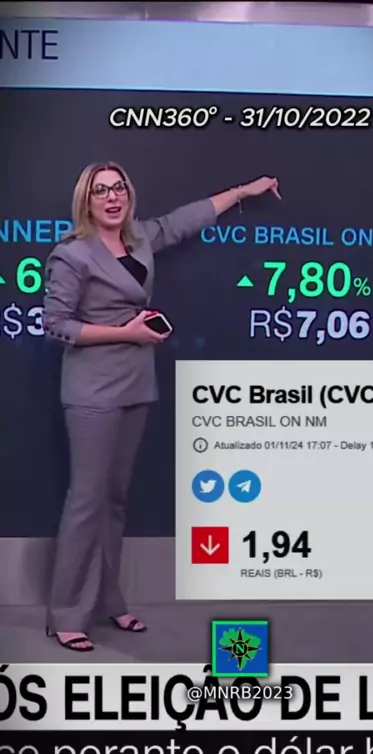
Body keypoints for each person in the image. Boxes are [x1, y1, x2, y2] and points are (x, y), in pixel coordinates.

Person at [43, 161, 281, 651]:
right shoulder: (72, 254)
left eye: (119, 188)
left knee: (114, 499)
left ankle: (107, 601)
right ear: (86, 201)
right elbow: (56, 325)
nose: (112, 197)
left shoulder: (140, 240)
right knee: (87, 499)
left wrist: (243, 191)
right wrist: (125, 333)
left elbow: (183, 221)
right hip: (92, 389)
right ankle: (66, 613)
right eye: (101, 191)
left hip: (136, 383)